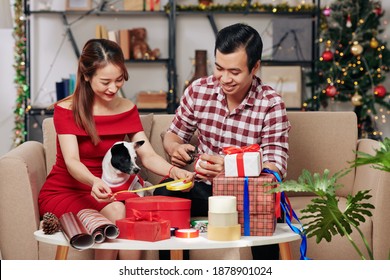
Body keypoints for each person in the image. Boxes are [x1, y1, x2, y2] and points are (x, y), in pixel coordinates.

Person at [38, 38, 194, 260]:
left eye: (119, 80)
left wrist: (173, 172)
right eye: (105, 82)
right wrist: (94, 182)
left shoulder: (127, 109)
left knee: (133, 215)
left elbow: (147, 155)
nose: (113, 88)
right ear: (86, 76)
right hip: (69, 189)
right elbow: (72, 160)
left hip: (111, 190)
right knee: (118, 212)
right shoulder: (66, 110)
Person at [155, 23, 291, 260]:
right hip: (203, 191)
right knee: (163, 195)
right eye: (219, 68)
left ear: (255, 67)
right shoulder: (199, 91)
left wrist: (230, 168)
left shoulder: (271, 103)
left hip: (247, 193)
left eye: (235, 72)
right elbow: (173, 134)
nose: (224, 79)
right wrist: (175, 147)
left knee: (266, 204)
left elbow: (275, 167)